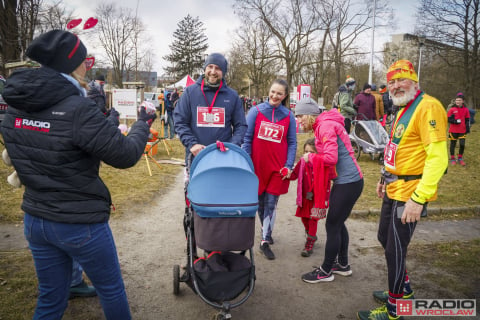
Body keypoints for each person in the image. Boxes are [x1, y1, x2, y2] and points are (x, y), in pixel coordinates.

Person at [0, 30, 156, 320]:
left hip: (36, 219)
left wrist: (105, 123)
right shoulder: (77, 107)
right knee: (110, 289)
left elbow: (46, 146)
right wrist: (143, 123)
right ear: (71, 64)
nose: (87, 66)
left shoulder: (16, 104)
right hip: (79, 223)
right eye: (84, 60)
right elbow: (124, 155)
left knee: (50, 299)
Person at [357, 60, 448, 320]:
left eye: (402, 80)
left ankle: (395, 309)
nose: (396, 86)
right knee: (385, 240)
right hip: (394, 188)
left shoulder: (428, 106)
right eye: (392, 81)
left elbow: (438, 158)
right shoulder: (403, 108)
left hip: (411, 193)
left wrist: (418, 199)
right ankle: (403, 289)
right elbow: (398, 147)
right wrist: (385, 177)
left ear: (415, 81)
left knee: (395, 250)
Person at [295, 102, 363, 283]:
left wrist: (312, 157)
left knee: (332, 225)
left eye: (300, 116)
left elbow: (331, 158)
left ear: (309, 115)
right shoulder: (323, 125)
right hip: (348, 181)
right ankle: (342, 265)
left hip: (348, 182)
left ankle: (325, 271)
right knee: (338, 223)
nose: (299, 120)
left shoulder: (325, 126)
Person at [242, 79, 297, 260]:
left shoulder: (288, 115)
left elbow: (292, 142)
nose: (275, 96)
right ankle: (267, 231)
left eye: (279, 93)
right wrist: (247, 163)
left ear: (285, 96)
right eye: (273, 92)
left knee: (271, 203)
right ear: (269, 90)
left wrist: (288, 165)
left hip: (277, 168)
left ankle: (264, 240)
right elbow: (247, 139)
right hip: (257, 166)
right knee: (260, 203)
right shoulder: (255, 111)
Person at [174, 52, 247, 160]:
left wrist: (232, 146)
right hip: (196, 156)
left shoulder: (232, 96)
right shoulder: (190, 92)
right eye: (210, 67)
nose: (213, 72)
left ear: (223, 72)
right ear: (205, 68)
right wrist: (192, 144)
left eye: (217, 68)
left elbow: (241, 125)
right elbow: (180, 121)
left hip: (223, 157)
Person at [288, 138, 322, 257]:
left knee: (313, 219)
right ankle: (310, 234)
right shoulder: (302, 162)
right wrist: (286, 174)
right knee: (304, 218)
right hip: (304, 197)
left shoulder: (320, 164)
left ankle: (309, 243)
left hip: (316, 198)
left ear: (317, 153)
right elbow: (294, 174)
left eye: (311, 152)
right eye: (306, 151)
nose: (308, 155)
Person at [447, 92, 470, 166]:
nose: (457, 101)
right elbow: (448, 119)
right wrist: (454, 121)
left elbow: (467, 119)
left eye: (459, 100)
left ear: (463, 101)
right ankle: (453, 158)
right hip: (453, 130)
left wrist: (467, 128)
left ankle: (460, 158)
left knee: (462, 144)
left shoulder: (466, 109)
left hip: (462, 130)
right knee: (453, 144)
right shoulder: (452, 109)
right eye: (457, 100)